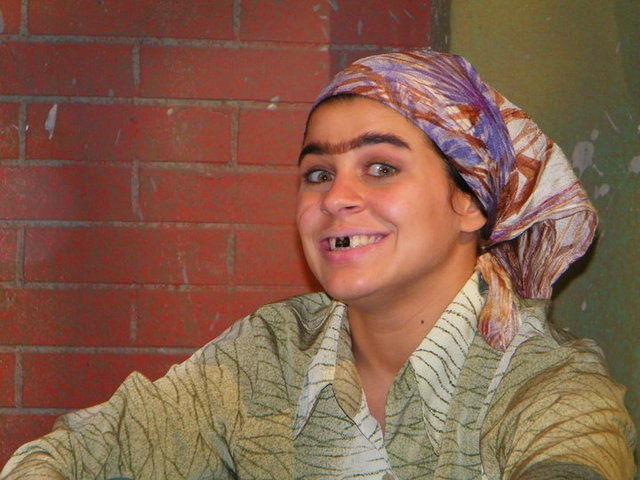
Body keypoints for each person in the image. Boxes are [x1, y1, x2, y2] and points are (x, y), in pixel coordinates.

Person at [1, 50, 636, 479]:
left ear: (469, 201)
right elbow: (77, 455)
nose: (335, 198)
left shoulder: (544, 387)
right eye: (318, 173)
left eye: (380, 167)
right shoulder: (266, 358)